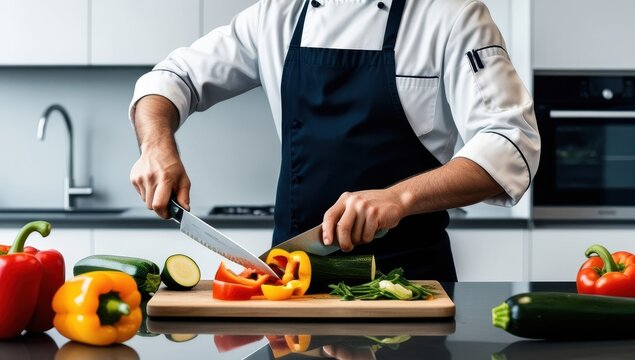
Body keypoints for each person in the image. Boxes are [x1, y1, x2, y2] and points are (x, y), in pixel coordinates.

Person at [129, 0, 540, 282]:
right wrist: (155, 145)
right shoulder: (279, 15)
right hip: (289, 283)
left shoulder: (452, 15)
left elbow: (510, 143)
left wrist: (399, 198)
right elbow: (173, 78)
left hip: (408, 285)